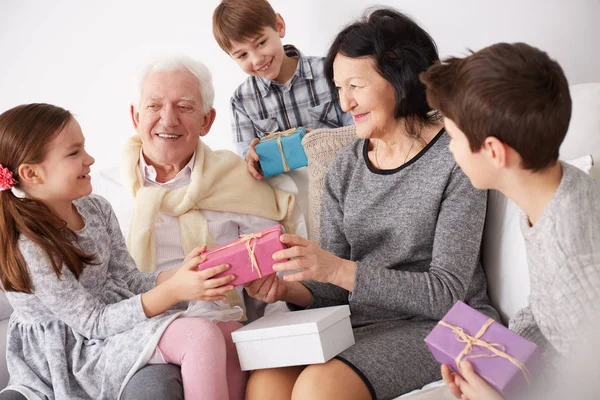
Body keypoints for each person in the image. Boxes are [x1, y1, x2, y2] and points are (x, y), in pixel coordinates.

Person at [242, 8, 499, 400]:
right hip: (364, 324)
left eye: (356, 86)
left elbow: (446, 291)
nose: (345, 103)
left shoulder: (456, 157)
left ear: (400, 78)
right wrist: (287, 289)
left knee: (318, 388)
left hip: (451, 322)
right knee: (265, 384)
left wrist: (338, 269)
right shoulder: (344, 166)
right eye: (338, 87)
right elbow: (332, 288)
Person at [0, 103, 248, 399]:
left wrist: (179, 276)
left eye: (84, 148)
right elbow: (93, 323)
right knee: (200, 335)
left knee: (229, 330)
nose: (89, 159)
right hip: (75, 351)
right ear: (32, 173)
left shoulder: (96, 209)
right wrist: (175, 291)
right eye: (73, 153)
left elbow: (128, 280)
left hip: (112, 323)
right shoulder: (32, 248)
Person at [92, 54, 305, 398]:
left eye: (184, 107)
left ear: (207, 120)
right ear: (135, 116)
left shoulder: (238, 180)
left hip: (218, 326)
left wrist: (274, 296)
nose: (168, 119)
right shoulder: (99, 191)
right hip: (134, 337)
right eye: (154, 105)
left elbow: (275, 275)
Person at [420, 43, 600, 400]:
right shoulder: (553, 189)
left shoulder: (575, 264)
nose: (450, 149)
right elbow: (543, 310)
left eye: (453, 138)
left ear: (493, 152)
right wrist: (499, 359)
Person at [212, 0, 353, 179]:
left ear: (279, 26)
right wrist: (251, 158)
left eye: (261, 43)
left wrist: (319, 141)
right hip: (285, 195)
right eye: (242, 55)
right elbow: (246, 163)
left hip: (341, 178)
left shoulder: (330, 71)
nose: (256, 60)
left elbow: (359, 134)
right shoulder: (241, 100)